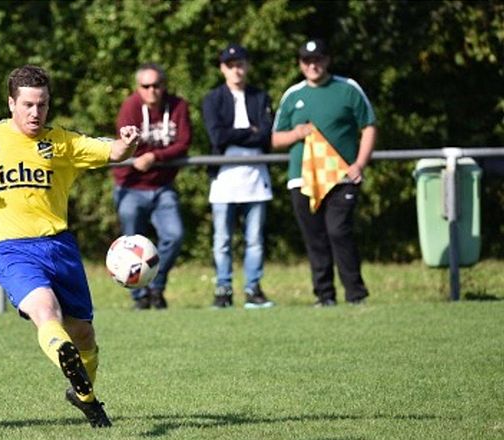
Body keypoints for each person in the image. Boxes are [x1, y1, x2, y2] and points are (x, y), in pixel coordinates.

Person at [0, 65, 140, 428]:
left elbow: (114, 152)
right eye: (28, 104)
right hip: (12, 249)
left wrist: (128, 141)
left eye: (42, 105)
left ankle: (83, 394)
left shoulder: (62, 142)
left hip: (60, 248)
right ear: (11, 103)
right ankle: (63, 352)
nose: (35, 112)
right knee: (46, 311)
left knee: (84, 334)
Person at [272, 39, 376, 306]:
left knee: (339, 231)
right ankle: (324, 296)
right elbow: (275, 138)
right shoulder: (292, 95)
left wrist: (359, 164)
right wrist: (297, 133)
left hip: (342, 177)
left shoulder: (348, 88)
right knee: (315, 238)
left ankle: (356, 294)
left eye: (317, 59)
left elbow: (369, 126)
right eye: (307, 61)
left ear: (327, 60)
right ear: (300, 64)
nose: (312, 65)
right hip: (303, 179)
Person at [112, 63, 191, 310]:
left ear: (164, 85)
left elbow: (184, 143)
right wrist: (143, 155)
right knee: (129, 245)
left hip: (162, 186)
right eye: (146, 86)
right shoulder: (130, 106)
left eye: (156, 85)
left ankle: (155, 286)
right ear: (138, 87)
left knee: (174, 235)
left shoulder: (178, 106)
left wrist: (154, 156)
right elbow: (126, 144)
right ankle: (140, 297)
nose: (152, 90)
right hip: (130, 185)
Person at [201, 44, 275, 309]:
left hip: (256, 178)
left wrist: (241, 133)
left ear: (247, 66)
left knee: (254, 239)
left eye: (240, 64)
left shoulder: (260, 97)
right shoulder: (212, 99)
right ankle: (223, 289)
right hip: (224, 180)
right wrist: (249, 131)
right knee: (222, 240)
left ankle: (253, 288)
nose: (236, 70)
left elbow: (266, 134)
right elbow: (217, 136)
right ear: (223, 69)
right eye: (231, 65)